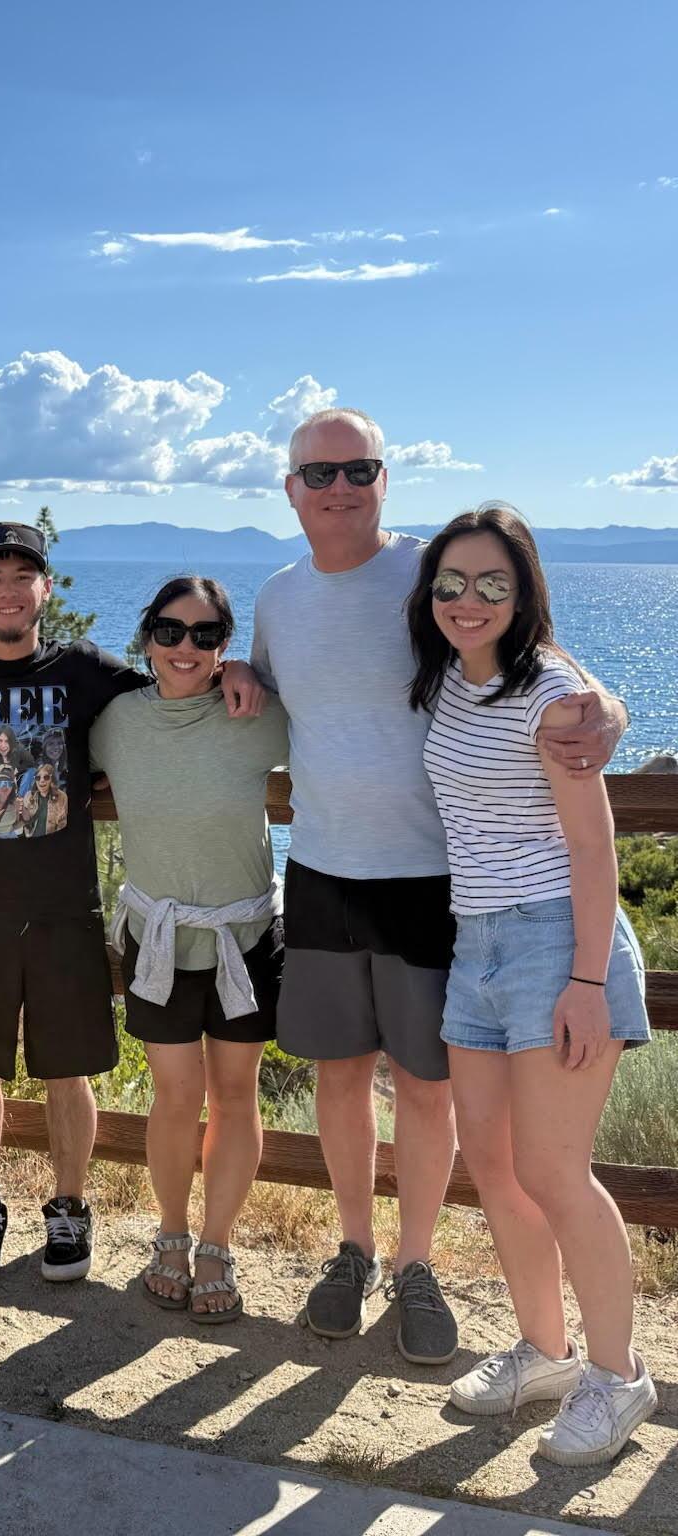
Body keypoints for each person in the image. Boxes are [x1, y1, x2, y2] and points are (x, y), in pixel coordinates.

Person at [251, 408, 626, 1365]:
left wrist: (608, 709)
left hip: (434, 883)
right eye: (319, 473)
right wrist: (227, 683)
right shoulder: (276, 599)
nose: (339, 488)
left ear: (384, 479)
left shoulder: (433, 575)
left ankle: (414, 1263)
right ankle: (353, 1249)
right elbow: (273, 695)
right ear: (289, 488)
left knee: (425, 1088)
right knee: (340, 1078)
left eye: (357, 470)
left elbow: (541, 658)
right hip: (320, 869)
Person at [0, 522, 262, 1284]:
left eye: (21, 576)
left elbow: (171, 688)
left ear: (46, 589)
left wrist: (237, 667)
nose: (6, 591)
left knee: (69, 1070)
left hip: (65, 907)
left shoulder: (88, 672)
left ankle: (68, 1206)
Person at [406, 503, 654, 1465]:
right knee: (493, 1164)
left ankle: (617, 1377)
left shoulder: (550, 695)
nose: (467, 600)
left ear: (522, 593)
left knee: (554, 1171)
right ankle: (545, 1353)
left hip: (557, 941)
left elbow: (593, 848)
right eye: (450, 583)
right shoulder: (444, 675)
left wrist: (587, 980)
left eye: (491, 584)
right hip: (475, 944)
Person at [92, 576, 288, 1323]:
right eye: (170, 631)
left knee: (235, 1096)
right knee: (175, 1096)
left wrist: (251, 675)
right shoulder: (116, 720)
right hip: (159, 940)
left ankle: (216, 1246)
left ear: (223, 645)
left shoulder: (257, 714)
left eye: (206, 636)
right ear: (147, 636)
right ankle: (170, 1236)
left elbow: (344, 730)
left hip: (245, 936)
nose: (185, 647)